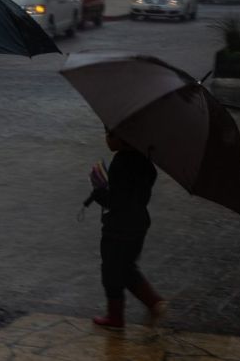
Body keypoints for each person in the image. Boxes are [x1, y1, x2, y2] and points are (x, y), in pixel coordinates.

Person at [88, 128, 167, 329]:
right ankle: (154, 303)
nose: (106, 139)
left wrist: (99, 192)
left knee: (112, 270)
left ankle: (115, 317)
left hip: (118, 225)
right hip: (139, 222)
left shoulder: (121, 163)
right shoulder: (146, 164)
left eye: (109, 134)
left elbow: (117, 201)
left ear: (124, 139)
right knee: (126, 266)